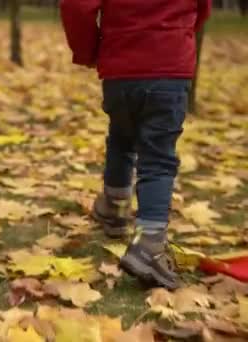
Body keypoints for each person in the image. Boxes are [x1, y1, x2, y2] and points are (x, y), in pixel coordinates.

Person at [60, 0, 212, 289]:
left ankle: (115, 207)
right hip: (169, 67)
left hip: (121, 67)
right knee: (158, 158)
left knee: (121, 136)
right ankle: (150, 244)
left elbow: (76, 6)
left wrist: (88, 50)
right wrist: (177, 36)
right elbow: (202, 8)